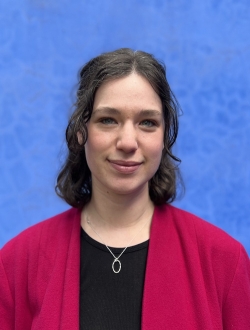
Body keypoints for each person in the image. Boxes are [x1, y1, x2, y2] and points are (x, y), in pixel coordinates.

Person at [0, 48, 250, 330]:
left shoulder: (224, 262)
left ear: (164, 137)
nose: (128, 142)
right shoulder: (17, 264)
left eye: (147, 122)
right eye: (108, 119)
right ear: (82, 132)